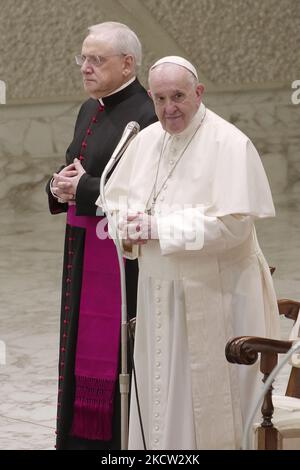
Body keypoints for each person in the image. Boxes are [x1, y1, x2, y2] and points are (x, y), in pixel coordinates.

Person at [98, 56, 281, 450]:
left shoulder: (229, 143)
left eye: (178, 96)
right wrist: (124, 228)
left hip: (216, 292)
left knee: (206, 406)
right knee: (160, 394)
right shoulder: (144, 141)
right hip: (158, 294)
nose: (169, 108)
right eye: (160, 98)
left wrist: (159, 229)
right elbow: (113, 208)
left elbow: (234, 227)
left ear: (198, 93)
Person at [45, 22, 157, 450]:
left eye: (96, 60)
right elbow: (75, 167)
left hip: (119, 256)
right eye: (83, 58)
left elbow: (142, 191)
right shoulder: (88, 108)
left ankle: (111, 447)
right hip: (80, 251)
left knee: (114, 355)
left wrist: (84, 188)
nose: (86, 68)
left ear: (127, 63)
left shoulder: (147, 114)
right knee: (75, 347)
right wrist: (57, 185)